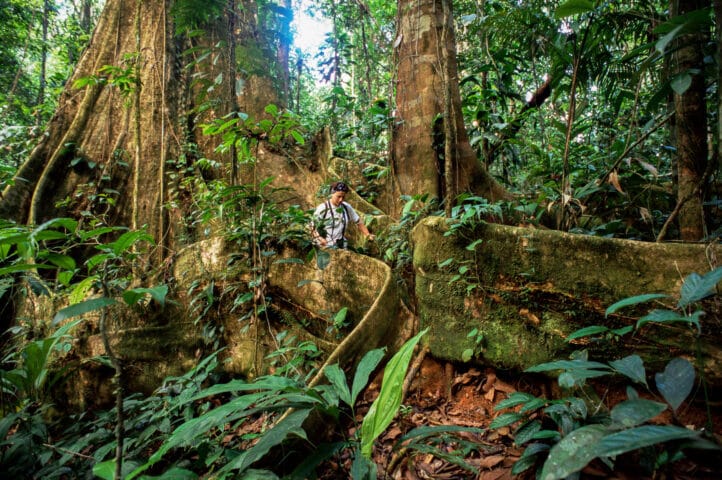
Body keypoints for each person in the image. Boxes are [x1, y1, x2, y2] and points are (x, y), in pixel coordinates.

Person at [311, 181, 375, 249]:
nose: (341, 199)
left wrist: (368, 235)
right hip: (324, 246)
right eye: (338, 196)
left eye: (343, 197)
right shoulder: (323, 208)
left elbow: (358, 222)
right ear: (332, 194)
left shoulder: (346, 207)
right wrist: (319, 238)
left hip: (341, 245)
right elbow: (312, 226)